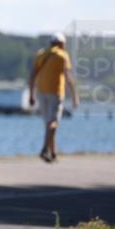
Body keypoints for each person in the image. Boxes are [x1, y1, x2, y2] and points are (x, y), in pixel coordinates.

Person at [28, 32, 79, 163]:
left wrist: (31, 94)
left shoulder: (41, 54)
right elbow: (68, 77)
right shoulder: (62, 55)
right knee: (53, 123)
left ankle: (53, 153)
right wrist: (75, 96)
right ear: (62, 44)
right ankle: (45, 149)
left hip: (41, 92)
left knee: (48, 123)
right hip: (56, 92)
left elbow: (32, 75)